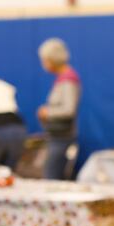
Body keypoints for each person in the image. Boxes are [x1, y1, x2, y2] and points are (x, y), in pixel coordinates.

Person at [37, 38, 80, 180]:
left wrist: (47, 112)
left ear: (51, 59)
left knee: (51, 177)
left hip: (62, 138)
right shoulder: (62, 78)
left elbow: (69, 109)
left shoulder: (68, 79)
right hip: (57, 136)